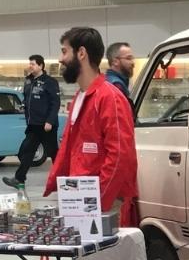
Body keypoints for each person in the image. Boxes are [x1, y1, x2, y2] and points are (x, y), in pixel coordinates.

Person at [44, 27, 138, 225]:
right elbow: (70, 150)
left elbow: (120, 156)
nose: (60, 59)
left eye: (64, 51)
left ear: (81, 53)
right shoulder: (80, 97)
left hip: (102, 203)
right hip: (80, 199)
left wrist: (98, 201)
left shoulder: (110, 98)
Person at [2, 54, 60, 189]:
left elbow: (55, 102)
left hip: (46, 125)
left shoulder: (50, 82)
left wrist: (50, 121)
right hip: (33, 124)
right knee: (26, 151)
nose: (30, 66)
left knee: (54, 153)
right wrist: (23, 104)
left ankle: (63, 179)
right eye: (30, 64)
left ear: (41, 66)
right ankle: (19, 179)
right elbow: (27, 97)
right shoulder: (28, 80)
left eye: (33, 64)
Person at [104, 41, 135, 110]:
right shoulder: (116, 86)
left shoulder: (108, 81)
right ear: (115, 61)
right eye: (128, 58)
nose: (133, 62)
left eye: (132, 58)